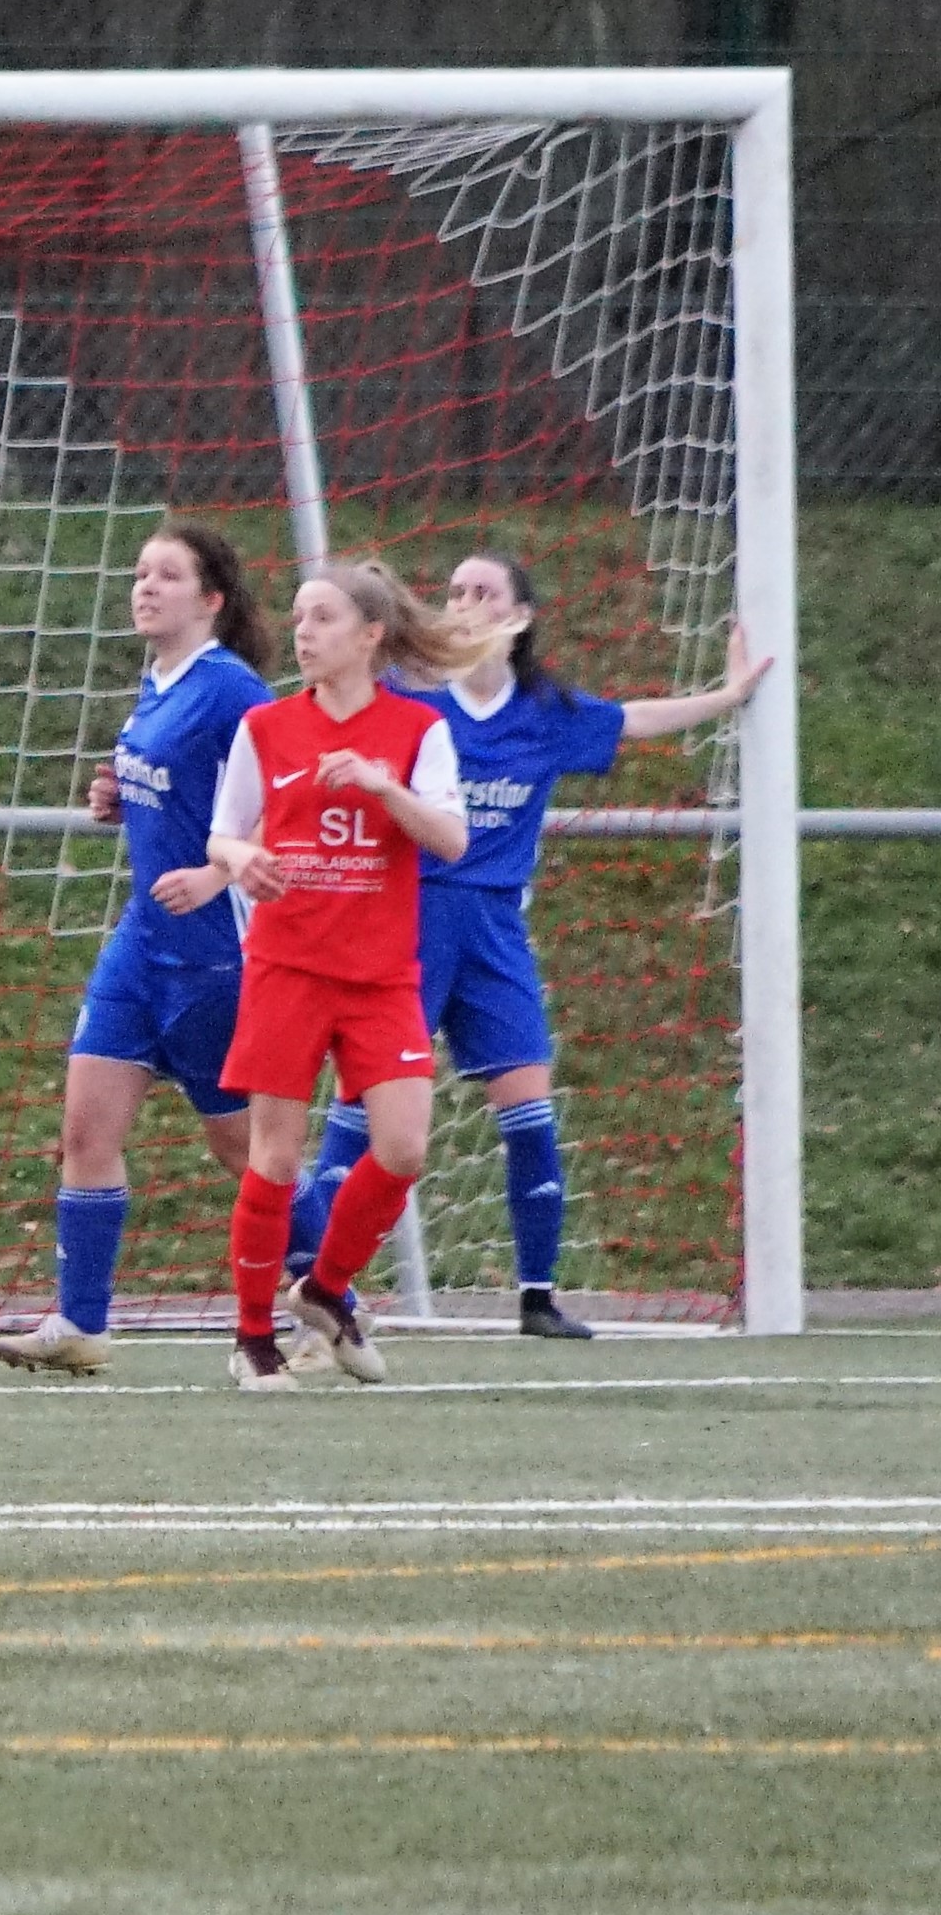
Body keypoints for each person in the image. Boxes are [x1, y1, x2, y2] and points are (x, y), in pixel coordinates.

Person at [284, 553, 770, 1339]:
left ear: (521, 615)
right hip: (409, 924)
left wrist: (730, 693)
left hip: (495, 933)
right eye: (454, 591)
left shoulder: (545, 711)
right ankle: (317, 1278)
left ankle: (538, 1295)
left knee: (530, 1107)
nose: (466, 603)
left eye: (485, 591)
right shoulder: (409, 703)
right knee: (363, 1114)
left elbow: (635, 716)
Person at [0, 522, 280, 1376]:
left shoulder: (233, 690)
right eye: (140, 571)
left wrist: (212, 871)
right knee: (85, 1128)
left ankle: (326, 1287)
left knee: (244, 1151)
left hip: (213, 955)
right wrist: (124, 793)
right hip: (140, 946)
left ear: (212, 599)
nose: (145, 586)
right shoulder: (157, 681)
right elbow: (190, 788)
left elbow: (278, 808)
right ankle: (82, 1323)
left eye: (168, 574)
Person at [192, 560, 484, 1392]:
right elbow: (223, 834)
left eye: (321, 618)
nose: (303, 632)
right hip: (287, 967)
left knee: (403, 1147)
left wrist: (383, 785)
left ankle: (323, 1289)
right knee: (276, 1158)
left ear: (370, 634)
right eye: (298, 618)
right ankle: (253, 1337)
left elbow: (452, 841)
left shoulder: (417, 730)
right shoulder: (268, 726)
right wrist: (242, 856)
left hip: (380, 975)